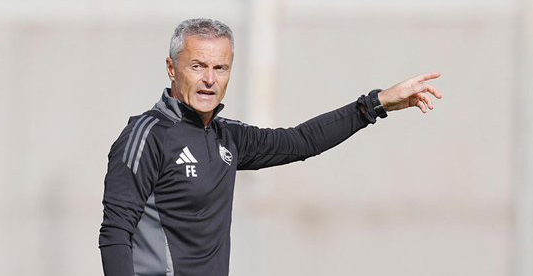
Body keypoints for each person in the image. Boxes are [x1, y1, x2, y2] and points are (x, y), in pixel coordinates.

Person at [98, 18, 443, 276]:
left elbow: (299, 141)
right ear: (172, 69)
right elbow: (115, 232)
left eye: (220, 68)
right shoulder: (146, 135)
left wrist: (376, 103)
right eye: (198, 66)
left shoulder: (227, 137)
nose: (209, 79)